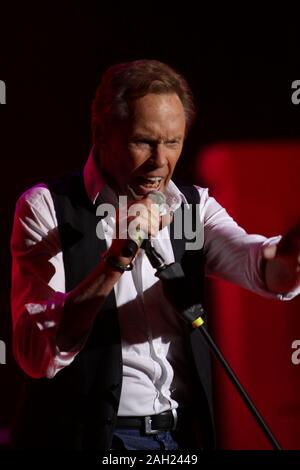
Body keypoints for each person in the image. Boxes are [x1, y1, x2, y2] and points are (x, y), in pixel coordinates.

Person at [10, 59, 300, 451]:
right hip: (87, 439)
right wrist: (117, 258)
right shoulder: (48, 208)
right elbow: (36, 356)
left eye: (173, 142)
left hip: (178, 438)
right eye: (143, 142)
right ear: (101, 134)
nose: (160, 161)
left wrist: (289, 256)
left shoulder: (191, 207)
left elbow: (262, 267)